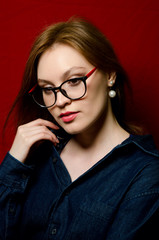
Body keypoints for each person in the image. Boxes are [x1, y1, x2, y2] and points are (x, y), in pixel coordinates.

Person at [0, 17, 159, 240]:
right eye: (48, 88)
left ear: (110, 75)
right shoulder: (37, 154)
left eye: (74, 80)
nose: (60, 101)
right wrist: (14, 163)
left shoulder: (146, 174)